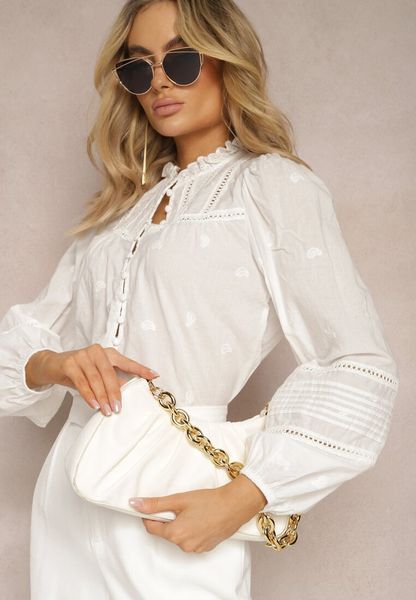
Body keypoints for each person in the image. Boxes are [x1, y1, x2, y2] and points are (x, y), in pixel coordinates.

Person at [0, 0, 399, 598]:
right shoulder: (117, 216)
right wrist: (56, 364)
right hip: (69, 496)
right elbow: (19, 347)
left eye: (182, 60)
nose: (159, 82)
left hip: (176, 497)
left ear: (226, 61)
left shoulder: (271, 186)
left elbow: (357, 362)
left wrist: (245, 497)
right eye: (139, 67)